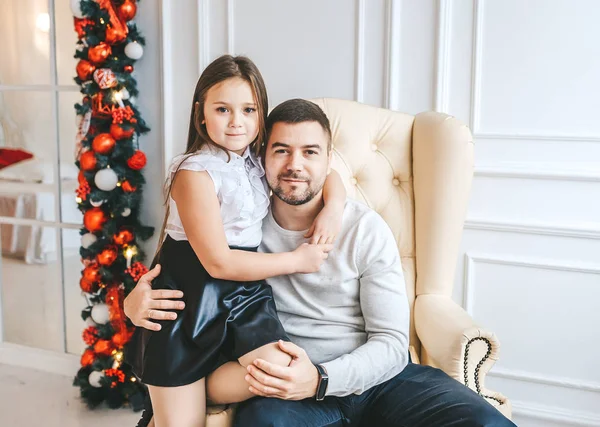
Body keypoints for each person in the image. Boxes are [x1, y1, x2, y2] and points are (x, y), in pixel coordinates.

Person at [126, 98, 516, 426]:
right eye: (281, 150)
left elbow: (393, 345)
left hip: (379, 378)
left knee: (485, 423)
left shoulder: (365, 230)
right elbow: (185, 269)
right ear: (261, 157)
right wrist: (134, 302)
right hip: (287, 388)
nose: (295, 165)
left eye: (310, 152)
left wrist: (322, 379)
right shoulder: (237, 228)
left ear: (329, 160)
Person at [125, 56, 347, 427]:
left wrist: (334, 207)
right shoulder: (193, 171)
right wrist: (299, 260)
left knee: (281, 370)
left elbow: (332, 173)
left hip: (243, 297)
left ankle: (199, 387)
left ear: (260, 114)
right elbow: (218, 263)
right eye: (223, 109)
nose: (236, 122)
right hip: (189, 298)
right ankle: (180, 395)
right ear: (201, 114)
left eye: (248, 110)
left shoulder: (256, 161)